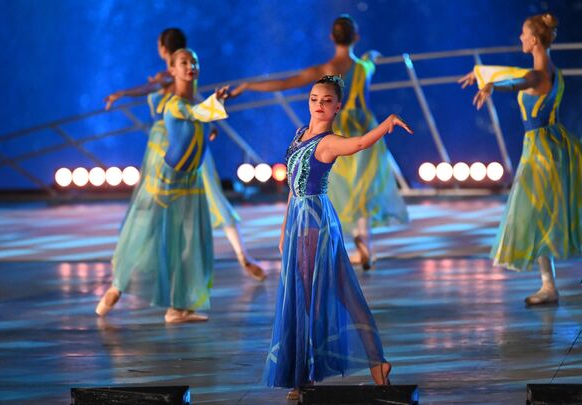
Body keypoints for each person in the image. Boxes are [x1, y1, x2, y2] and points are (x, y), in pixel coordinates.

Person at [264, 75, 413, 399]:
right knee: (334, 291)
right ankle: (375, 363)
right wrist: (283, 228)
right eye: (315, 98)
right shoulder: (300, 134)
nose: (319, 105)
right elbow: (292, 187)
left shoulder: (328, 143)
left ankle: (306, 377)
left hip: (314, 221)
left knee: (310, 296)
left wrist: (385, 124)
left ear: (337, 107)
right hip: (298, 222)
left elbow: (358, 144)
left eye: (327, 101)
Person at [230, 15, 409, 270]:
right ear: (355, 37)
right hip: (364, 126)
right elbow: (369, 61)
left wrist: (248, 85)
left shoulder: (324, 72)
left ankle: (342, 244)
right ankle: (365, 241)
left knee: (329, 185)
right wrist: (371, 55)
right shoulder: (365, 67)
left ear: (331, 38)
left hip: (335, 131)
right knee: (365, 187)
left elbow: (284, 83)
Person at [105, 28, 266, 281]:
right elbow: (195, 105)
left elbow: (161, 91)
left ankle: (133, 262)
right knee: (209, 196)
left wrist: (123, 93)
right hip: (194, 139)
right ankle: (240, 254)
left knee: (155, 201)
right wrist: (210, 125)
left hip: (168, 146)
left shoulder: (168, 75)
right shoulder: (182, 75)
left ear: (161, 48)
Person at [459, 13, 582, 305]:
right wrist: (483, 75)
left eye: (523, 34)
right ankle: (548, 285)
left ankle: (549, 286)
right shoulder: (553, 71)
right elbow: (514, 73)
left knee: (533, 212)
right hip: (554, 144)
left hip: (541, 152)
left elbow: (517, 81)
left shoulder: (535, 75)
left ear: (534, 40)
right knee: (541, 213)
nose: (520, 38)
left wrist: (491, 85)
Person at [96, 48, 229, 322]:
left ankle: (179, 307)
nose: (191, 65)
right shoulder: (175, 102)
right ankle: (117, 286)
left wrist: (212, 126)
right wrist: (215, 105)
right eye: (184, 62)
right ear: (172, 70)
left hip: (192, 180)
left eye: (194, 61)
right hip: (167, 180)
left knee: (191, 243)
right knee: (145, 230)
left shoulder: (198, 100)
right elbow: (193, 114)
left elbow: (203, 118)